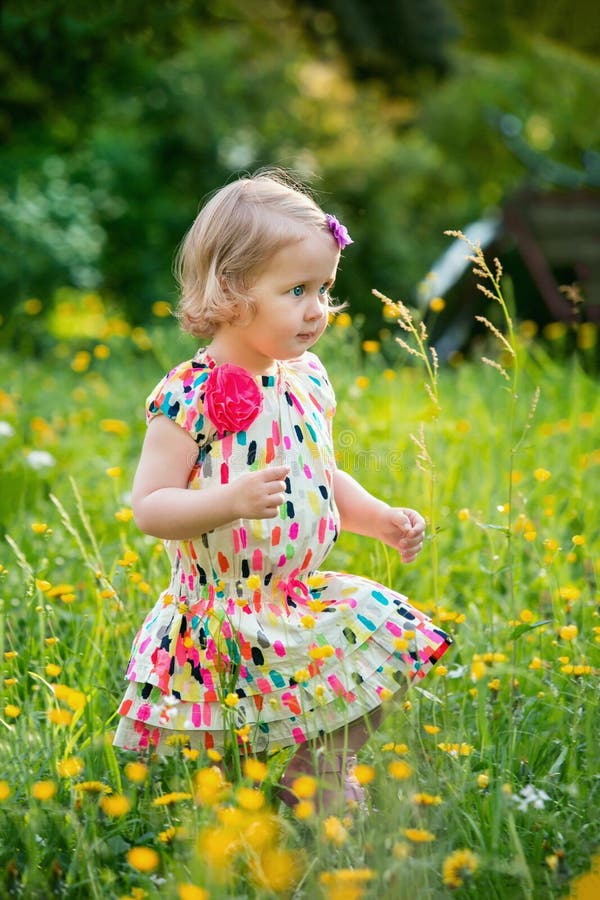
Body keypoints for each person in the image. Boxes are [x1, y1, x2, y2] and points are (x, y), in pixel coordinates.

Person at [113, 169, 452, 809]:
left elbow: (318, 474)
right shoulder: (190, 393)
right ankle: (221, 818)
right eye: (297, 289)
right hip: (217, 608)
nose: (317, 308)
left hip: (290, 596)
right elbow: (150, 507)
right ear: (233, 291)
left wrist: (377, 517)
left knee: (390, 640)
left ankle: (316, 773)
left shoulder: (304, 377)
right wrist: (228, 502)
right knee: (216, 759)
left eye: (324, 288)